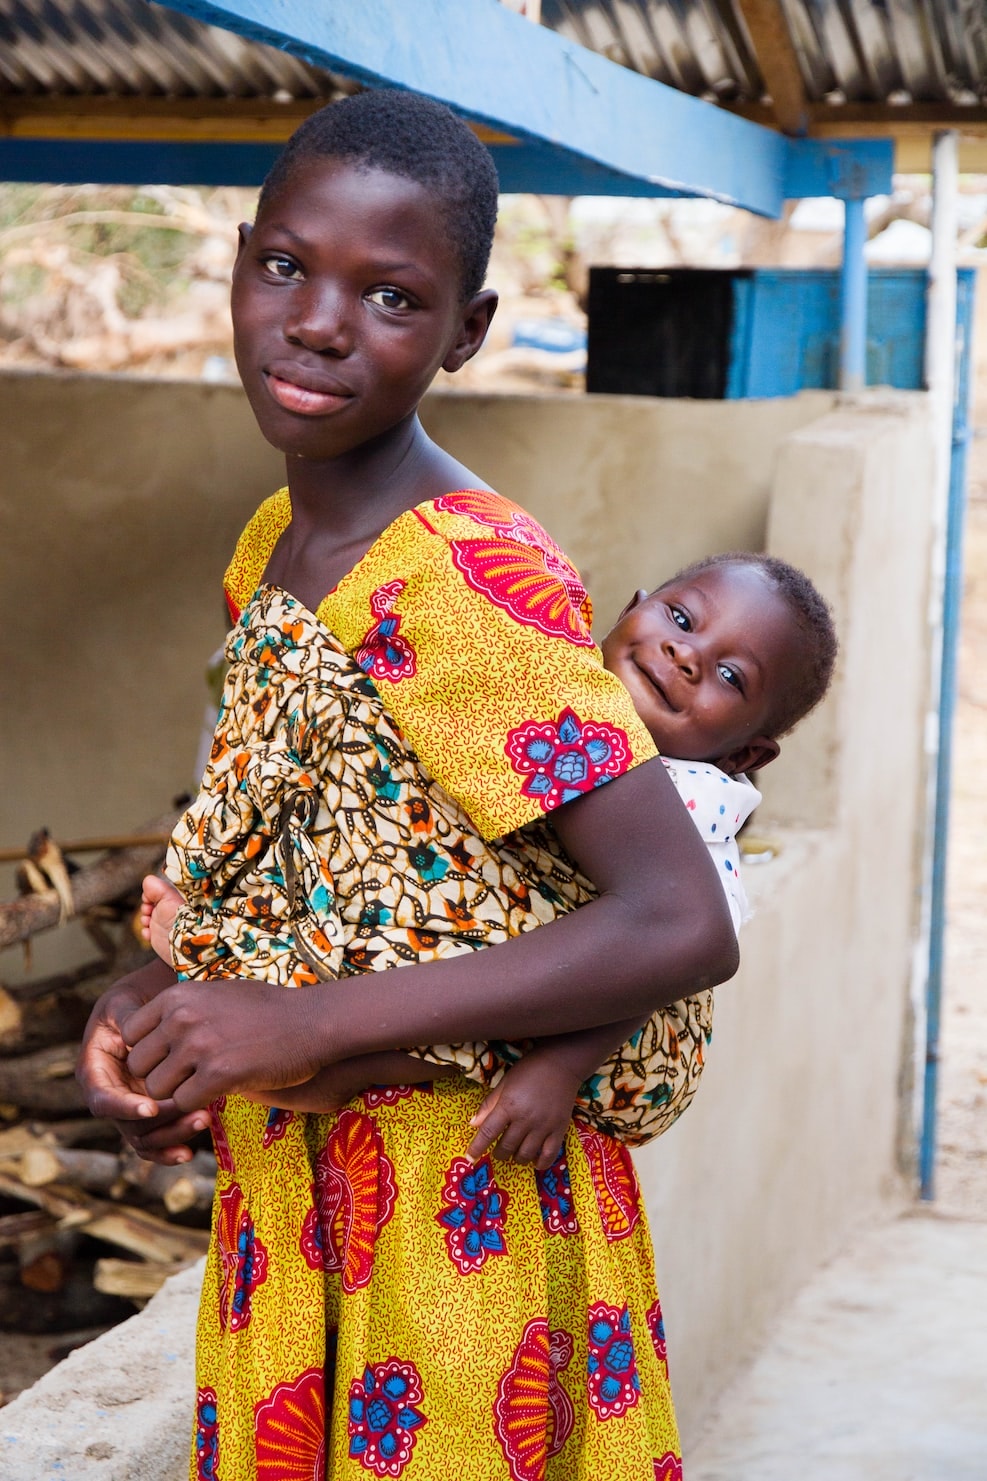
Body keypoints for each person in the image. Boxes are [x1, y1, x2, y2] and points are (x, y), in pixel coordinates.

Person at [78, 90, 753, 1481]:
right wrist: (150, 1018)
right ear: (239, 263)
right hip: (297, 1205)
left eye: (390, 296)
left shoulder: (464, 580)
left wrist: (300, 1021)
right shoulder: (272, 541)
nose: (317, 322)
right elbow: (288, 870)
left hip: (463, 1224)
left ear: (465, 333)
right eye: (284, 265)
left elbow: (676, 920)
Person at [142, 549, 836, 1163]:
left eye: (729, 676)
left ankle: (308, 1060)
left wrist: (557, 1069)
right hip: (541, 986)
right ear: (630, 610)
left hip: (606, 1037)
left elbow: (663, 957)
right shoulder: (553, 718)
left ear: (745, 753)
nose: (686, 656)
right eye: (681, 620)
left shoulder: (692, 799)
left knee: (435, 990)